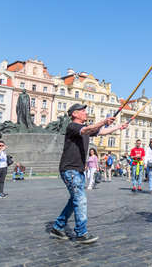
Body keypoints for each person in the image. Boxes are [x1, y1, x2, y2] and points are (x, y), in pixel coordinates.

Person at [49, 103, 127, 244]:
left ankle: (58, 227)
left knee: (75, 200)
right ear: (74, 114)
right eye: (82, 111)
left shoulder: (85, 128)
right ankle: (81, 233)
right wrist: (103, 121)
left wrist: (118, 127)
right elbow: (86, 130)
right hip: (70, 169)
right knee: (80, 200)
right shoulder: (72, 126)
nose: (86, 112)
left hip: (77, 170)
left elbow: (101, 132)